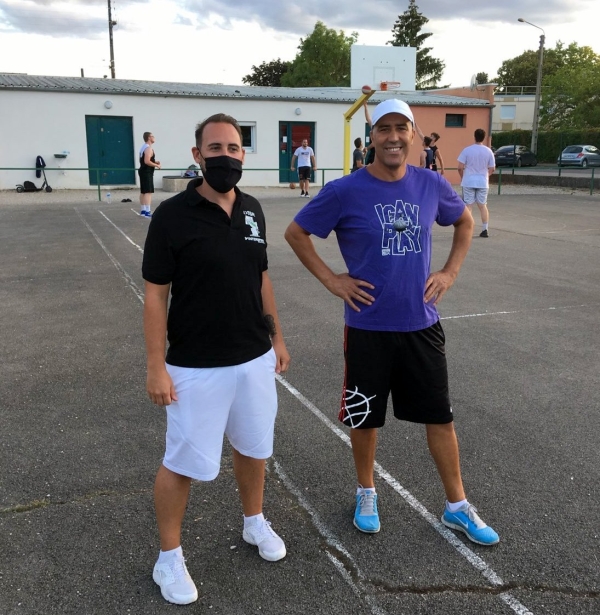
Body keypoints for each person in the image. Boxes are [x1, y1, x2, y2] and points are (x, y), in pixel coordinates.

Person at [284, 98, 499, 547]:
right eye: (385, 128)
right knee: (365, 418)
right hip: (367, 327)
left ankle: (457, 506)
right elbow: (296, 232)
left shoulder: (430, 183)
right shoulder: (345, 190)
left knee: (439, 416)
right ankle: (366, 492)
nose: (394, 136)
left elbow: (462, 222)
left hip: (421, 324)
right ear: (374, 136)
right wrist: (332, 280)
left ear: (413, 134)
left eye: (402, 127)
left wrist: (449, 272)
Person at [143, 113, 291, 605]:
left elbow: (262, 278)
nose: (225, 156)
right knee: (182, 463)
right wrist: (155, 363)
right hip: (195, 366)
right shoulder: (171, 215)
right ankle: (168, 558)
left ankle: (254, 522)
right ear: (197, 155)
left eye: (234, 148)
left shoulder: (252, 210)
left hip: (254, 359)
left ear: (243, 155)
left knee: (253, 448)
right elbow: (154, 295)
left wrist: (277, 339)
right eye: (215, 148)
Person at [457, 128, 496, 238]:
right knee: (483, 205)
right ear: (483, 138)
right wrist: (486, 176)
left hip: (469, 181)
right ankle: (485, 229)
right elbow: (492, 168)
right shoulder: (488, 151)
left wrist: (463, 177)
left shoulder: (467, 150)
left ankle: (467, 229)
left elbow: (460, 167)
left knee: (468, 205)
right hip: (482, 182)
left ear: (474, 136)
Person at [138, 132, 161, 217]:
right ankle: (147, 211)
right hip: (147, 172)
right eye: (152, 136)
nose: (154, 138)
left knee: (143, 191)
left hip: (143, 170)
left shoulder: (143, 147)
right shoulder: (148, 148)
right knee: (148, 191)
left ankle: (143, 210)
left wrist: (154, 162)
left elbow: (144, 160)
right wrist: (157, 165)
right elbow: (147, 161)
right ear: (149, 138)